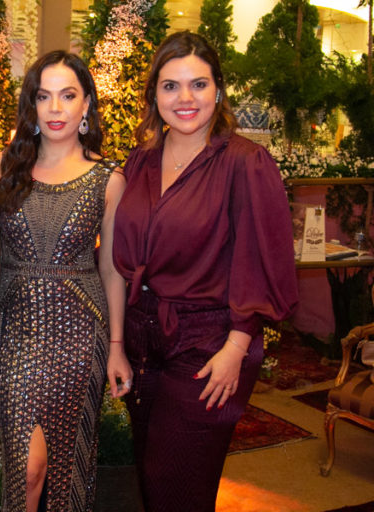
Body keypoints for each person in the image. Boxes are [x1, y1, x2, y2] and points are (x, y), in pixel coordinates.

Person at [111, 31, 299, 511]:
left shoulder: (245, 163)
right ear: (154, 94)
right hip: (142, 341)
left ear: (219, 90)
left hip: (208, 342)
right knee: (152, 481)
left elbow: (265, 259)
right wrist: (118, 344)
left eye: (199, 84)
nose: (185, 98)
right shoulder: (142, 160)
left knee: (177, 487)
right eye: (171, 86)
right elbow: (120, 252)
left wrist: (237, 346)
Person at [0, 51, 133, 511]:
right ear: (30, 106)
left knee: (70, 463)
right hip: (13, 330)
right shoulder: (1, 170)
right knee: (26, 469)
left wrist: (115, 346)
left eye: (67, 96)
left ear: (86, 104)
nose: (55, 109)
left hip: (79, 334)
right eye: (43, 96)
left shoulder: (108, 179)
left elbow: (111, 269)